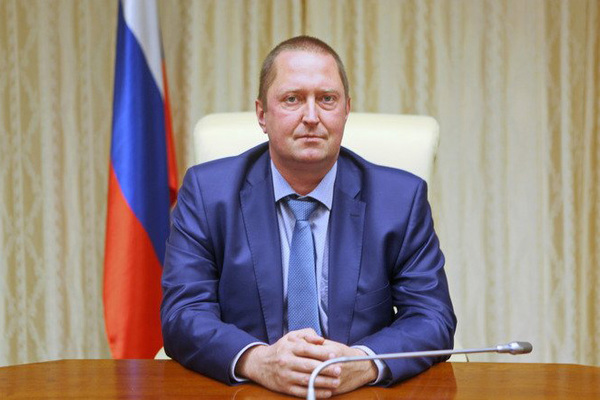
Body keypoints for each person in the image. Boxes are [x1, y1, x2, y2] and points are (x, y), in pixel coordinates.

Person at [161, 36, 456, 398]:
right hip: (251, 391)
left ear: (346, 110)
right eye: (292, 99)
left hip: (357, 391)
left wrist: (363, 362)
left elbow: (432, 317)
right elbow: (183, 313)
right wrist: (258, 361)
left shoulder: (399, 200)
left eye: (327, 99)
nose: (312, 117)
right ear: (261, 114)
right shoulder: (208, 194)